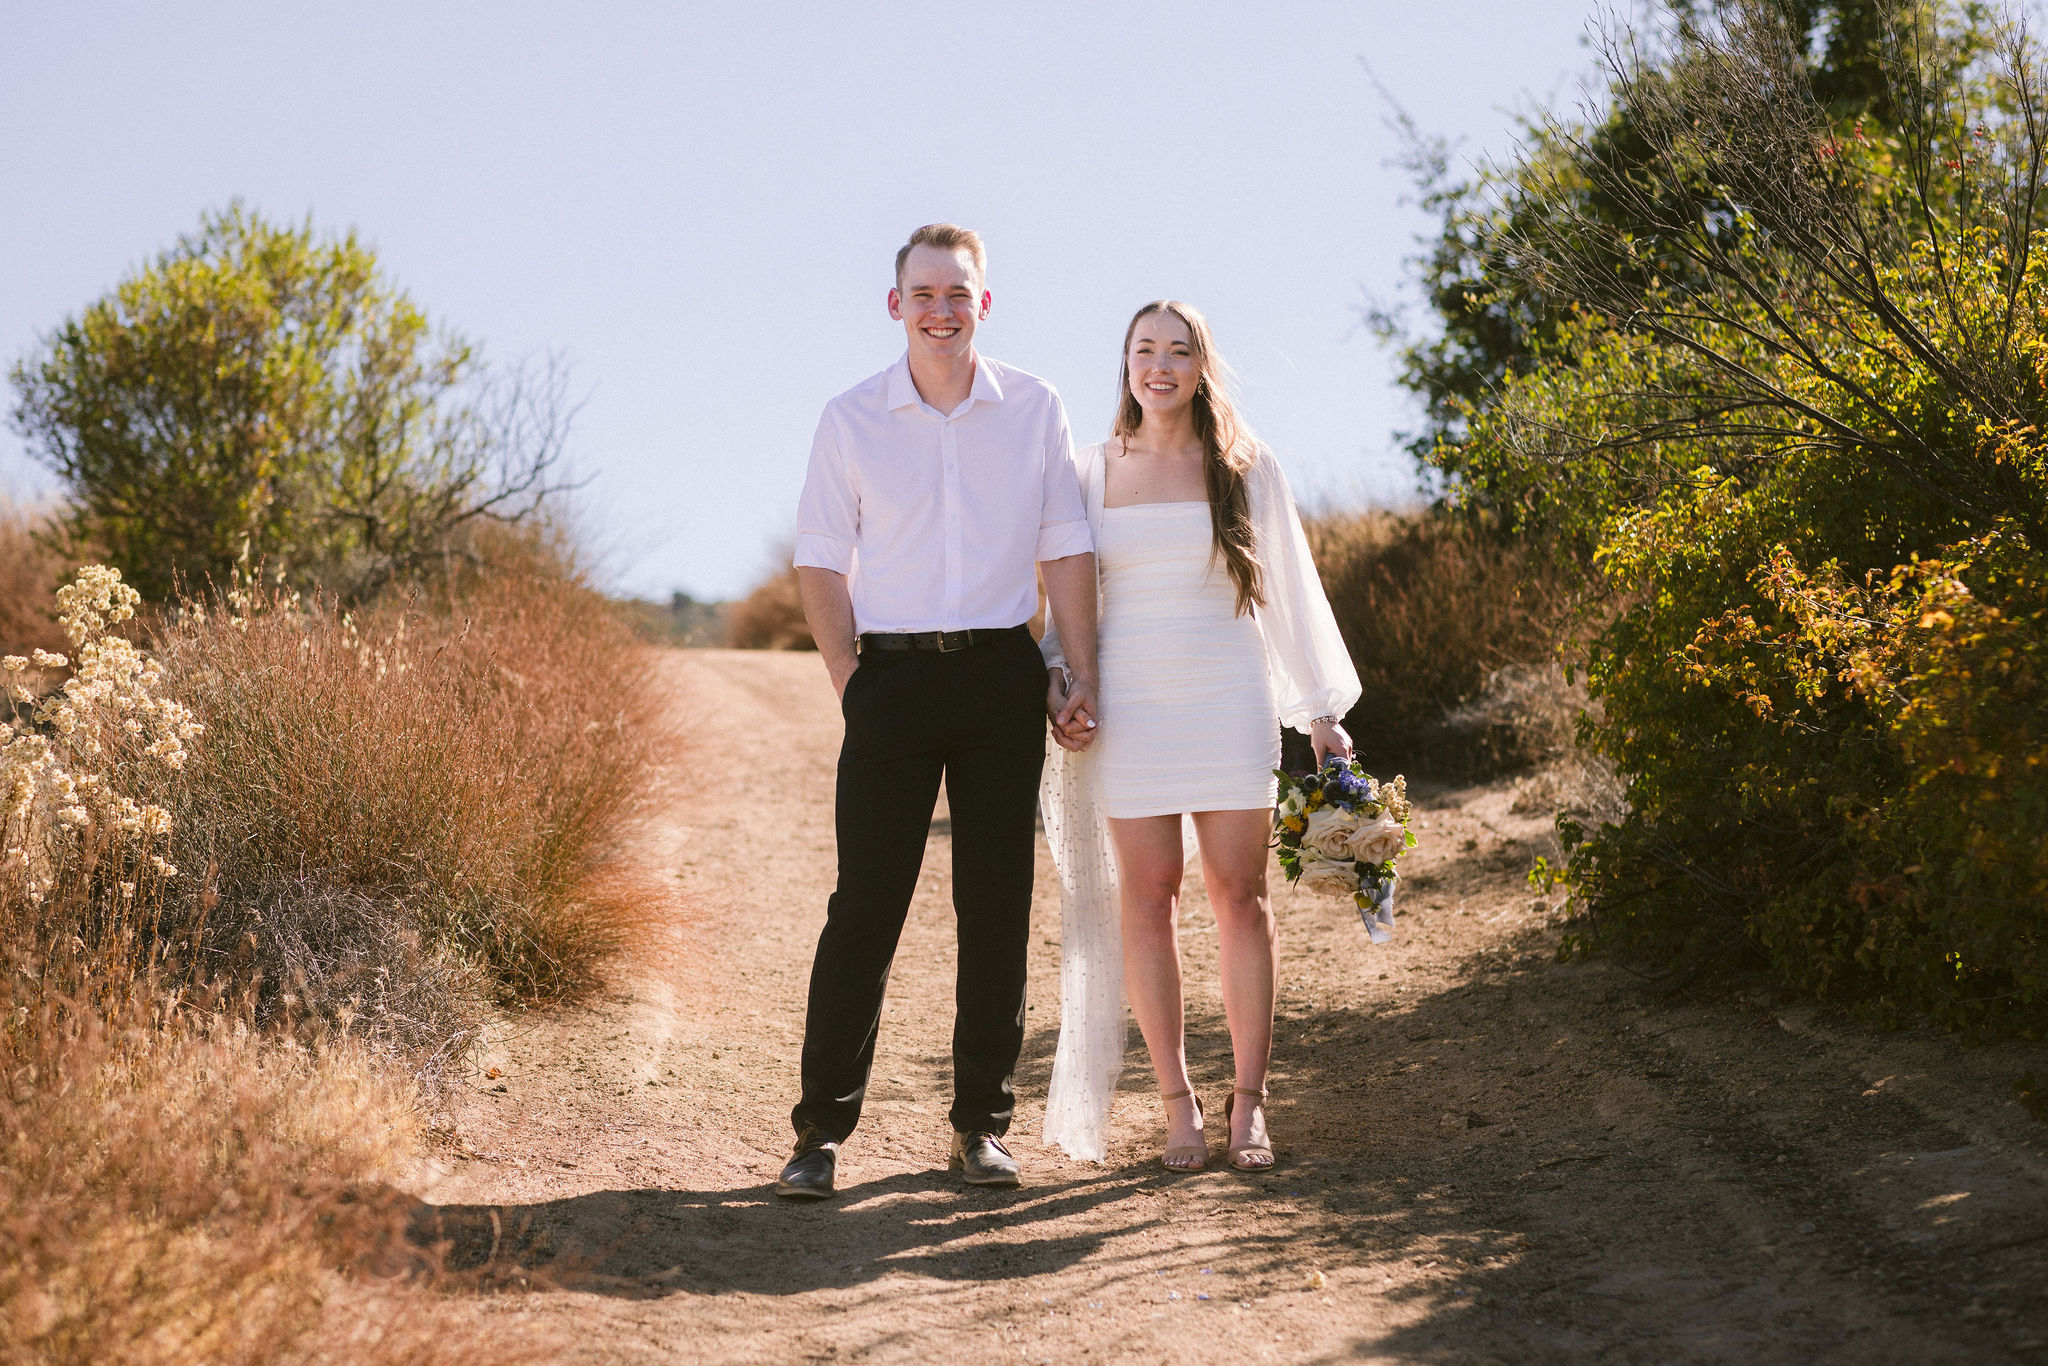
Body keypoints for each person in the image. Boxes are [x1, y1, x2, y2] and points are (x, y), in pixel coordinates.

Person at [777, 224, 1100, 1200]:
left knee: (995, 906)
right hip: (891, 681)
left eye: (958, 292)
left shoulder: (1035, 408)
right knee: (864, 908)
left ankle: (979, 1128)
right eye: (923, 293)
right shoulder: (851, 418)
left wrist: (1076, 671)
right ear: (895, 305)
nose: (941, 310)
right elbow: (819, 556)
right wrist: (850, 678)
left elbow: (1066, 548)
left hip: (1001, 676)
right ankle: (819, 1134)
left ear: (983, 304)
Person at [1039, 300, 1360, 1172]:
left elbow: (1290, 595)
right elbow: (1067, 605)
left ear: (1201, 367)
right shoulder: (1087, 471)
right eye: (1145, 349)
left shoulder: (1246, 468)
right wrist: (1061, 680)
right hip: (1131, 709)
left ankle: (1249, 1103)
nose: (1160, 365)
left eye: (1178, 351)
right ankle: (1177, 1103)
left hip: (1228, 698)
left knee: (1239, 897)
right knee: (1148, 899)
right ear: (1126, 365)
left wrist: (1322, 715)